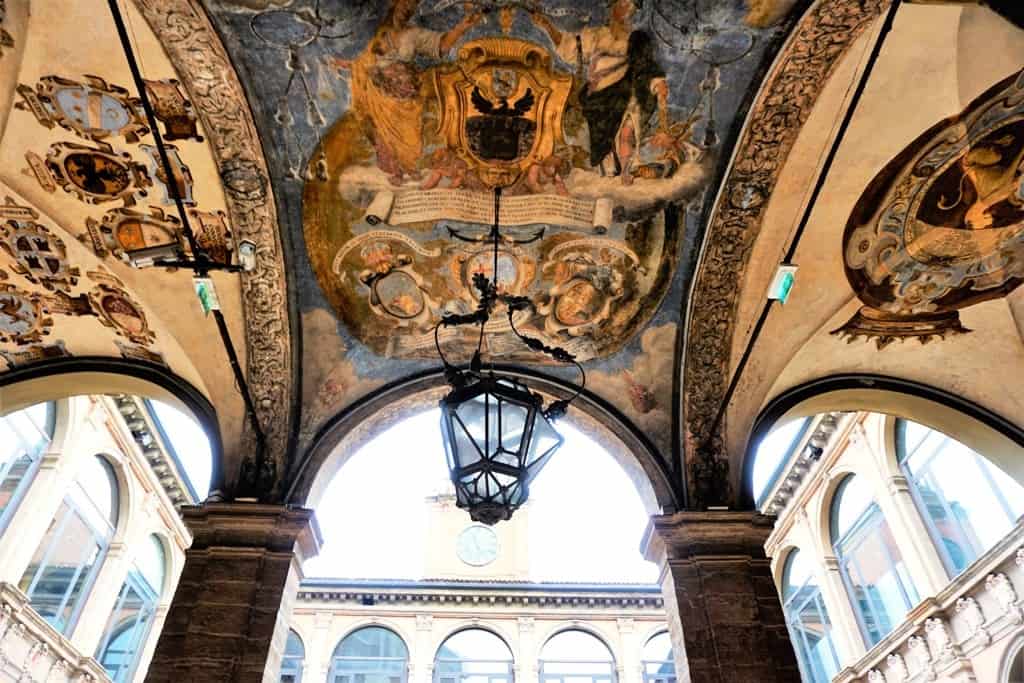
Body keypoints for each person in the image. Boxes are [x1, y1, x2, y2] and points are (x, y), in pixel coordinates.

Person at [338, 0, 481, 184]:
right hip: (381, 96)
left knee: (412, 137)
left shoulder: (413, 34)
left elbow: (441, 45)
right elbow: (363, 61)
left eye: (412, 7)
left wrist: (461, 27)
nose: (407, 10)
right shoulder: (377, 33)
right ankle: (398, 170)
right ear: (394, 4)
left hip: (408, 95)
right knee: (384, 137)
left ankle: (413, 167)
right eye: (404, 4)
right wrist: (350, 65)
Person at [533, 0, 669, 185]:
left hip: (624, 95)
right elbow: (568, 47)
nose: (625, 9)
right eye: (622, 3)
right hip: (597, 99)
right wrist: (547, 26)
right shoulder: (596, 35)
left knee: (624, 134)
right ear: (611, 7)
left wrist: (658, 89)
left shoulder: (636, 39)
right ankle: (608, 175)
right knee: (595, 141)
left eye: (629, 5)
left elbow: (647, 69)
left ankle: (626, 172)